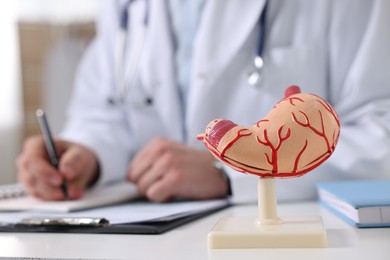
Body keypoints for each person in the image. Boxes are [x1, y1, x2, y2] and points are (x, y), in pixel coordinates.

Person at [17, 0, 390, 203]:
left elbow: (380, 133)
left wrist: (226, 172)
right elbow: (108, 109)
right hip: (151, 237)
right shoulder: (125, 6)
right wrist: (86, 154)